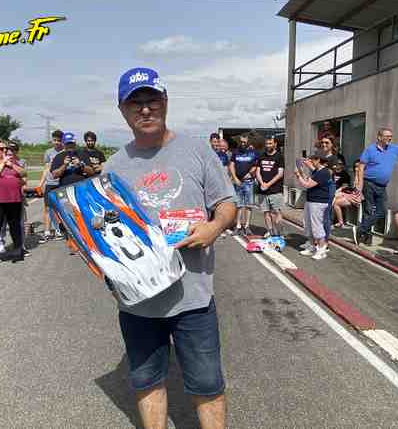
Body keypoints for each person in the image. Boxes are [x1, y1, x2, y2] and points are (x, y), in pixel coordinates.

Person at [104, 67, 236, 429]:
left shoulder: (196, 150)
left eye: (152, 101)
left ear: (165, 103)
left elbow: (227, 203)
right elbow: (104, 230)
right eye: (136, 103)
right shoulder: (113, 167)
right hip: (138, 302)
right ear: (123, 111)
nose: (145, 110)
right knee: (147, 382)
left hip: (193, 298)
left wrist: (214, 226)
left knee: (208, 385)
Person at [295, 153, 333, 260]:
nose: (310, 163)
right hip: (311, 201)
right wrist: (302, 171)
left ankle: (322, 249)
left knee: (317, 226)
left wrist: (298, 176)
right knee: (308, 224)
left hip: (318, 202)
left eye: (312, 161)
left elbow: (307, 185)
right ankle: (311, 245)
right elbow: (308, 180)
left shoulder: (324, 172)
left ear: (317, 160)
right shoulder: (317, 171)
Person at [38, 130, 65, 244]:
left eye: (59, 140)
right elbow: (46, 168)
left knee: (61, 208)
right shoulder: (48, 152)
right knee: (48, 208)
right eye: (55, 140)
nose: (57, 143)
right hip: (50, 183)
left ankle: (60, 230)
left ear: (62, 141)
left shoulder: (65, 151)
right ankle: (47, 232)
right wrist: (41, 183)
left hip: (61, 183)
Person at [229, 134, 258, 236]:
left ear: (248, 141)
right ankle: (238, 226)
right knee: (239, 205)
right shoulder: (235, 152)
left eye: (244, 142)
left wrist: (250, 173)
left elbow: (256, 165)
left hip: (249, 182)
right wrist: (235, 178)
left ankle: (247, 226)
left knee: (249, 205)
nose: (243, 143)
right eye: (241, 142)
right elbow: (231, 165)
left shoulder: (253, 152)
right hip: (238, 182)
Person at [255, 137, 285, 237]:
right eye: (267, 144)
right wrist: (262, 183)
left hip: (275, 190)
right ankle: (271, 231)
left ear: (275, 144)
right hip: (262, 190)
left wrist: (268, 184)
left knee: (277, 213)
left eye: (270, 143)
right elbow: (258, 172)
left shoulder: (279, 156)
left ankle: (279, 233)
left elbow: (280, 174)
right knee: (266, 213)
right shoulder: (261, 156)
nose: (268, 146)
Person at [331, 159, 362, 228]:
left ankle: (336, 221)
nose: (356, 169)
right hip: (352, 194)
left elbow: (357, 188)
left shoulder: (362, 175)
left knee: (335, 201)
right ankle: (337, 221)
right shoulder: (333, 173)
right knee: (334, 198)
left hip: (358, 197)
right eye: (355, 167)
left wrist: (357, 175)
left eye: (358, 167)